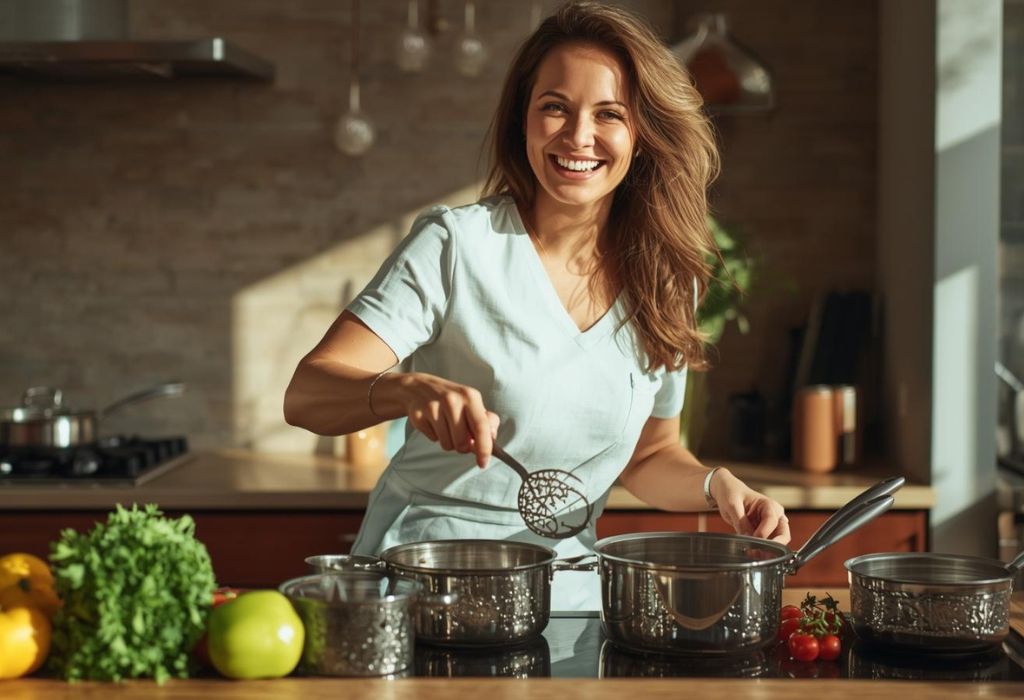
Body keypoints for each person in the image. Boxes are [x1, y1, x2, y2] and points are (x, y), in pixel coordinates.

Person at [283, 0, 790, 610]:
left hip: (567, 600)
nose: (578, 136)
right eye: (555, 107)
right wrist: (404, 391)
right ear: (522, 119)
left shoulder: (666, 281)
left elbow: (650, 455)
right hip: (424, 587)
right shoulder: (457, 246)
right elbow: (306, 394)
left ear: (641, 134)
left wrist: (716, 485)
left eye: (609, 114)